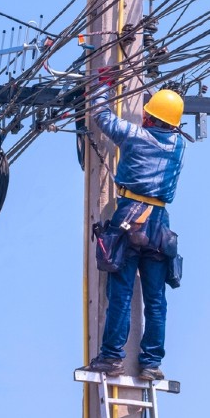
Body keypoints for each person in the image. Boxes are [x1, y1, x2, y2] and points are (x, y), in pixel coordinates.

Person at [86, 85, 187, 381]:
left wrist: (103, 87)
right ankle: (151, 362)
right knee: (156, 299)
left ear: (150, 118)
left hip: (130, 215)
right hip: (160, 224)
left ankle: (111, 357)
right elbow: (161, 114)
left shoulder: (136, 136)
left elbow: (102, 117)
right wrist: (143, 88)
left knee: (121, 293)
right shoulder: (179, 145)